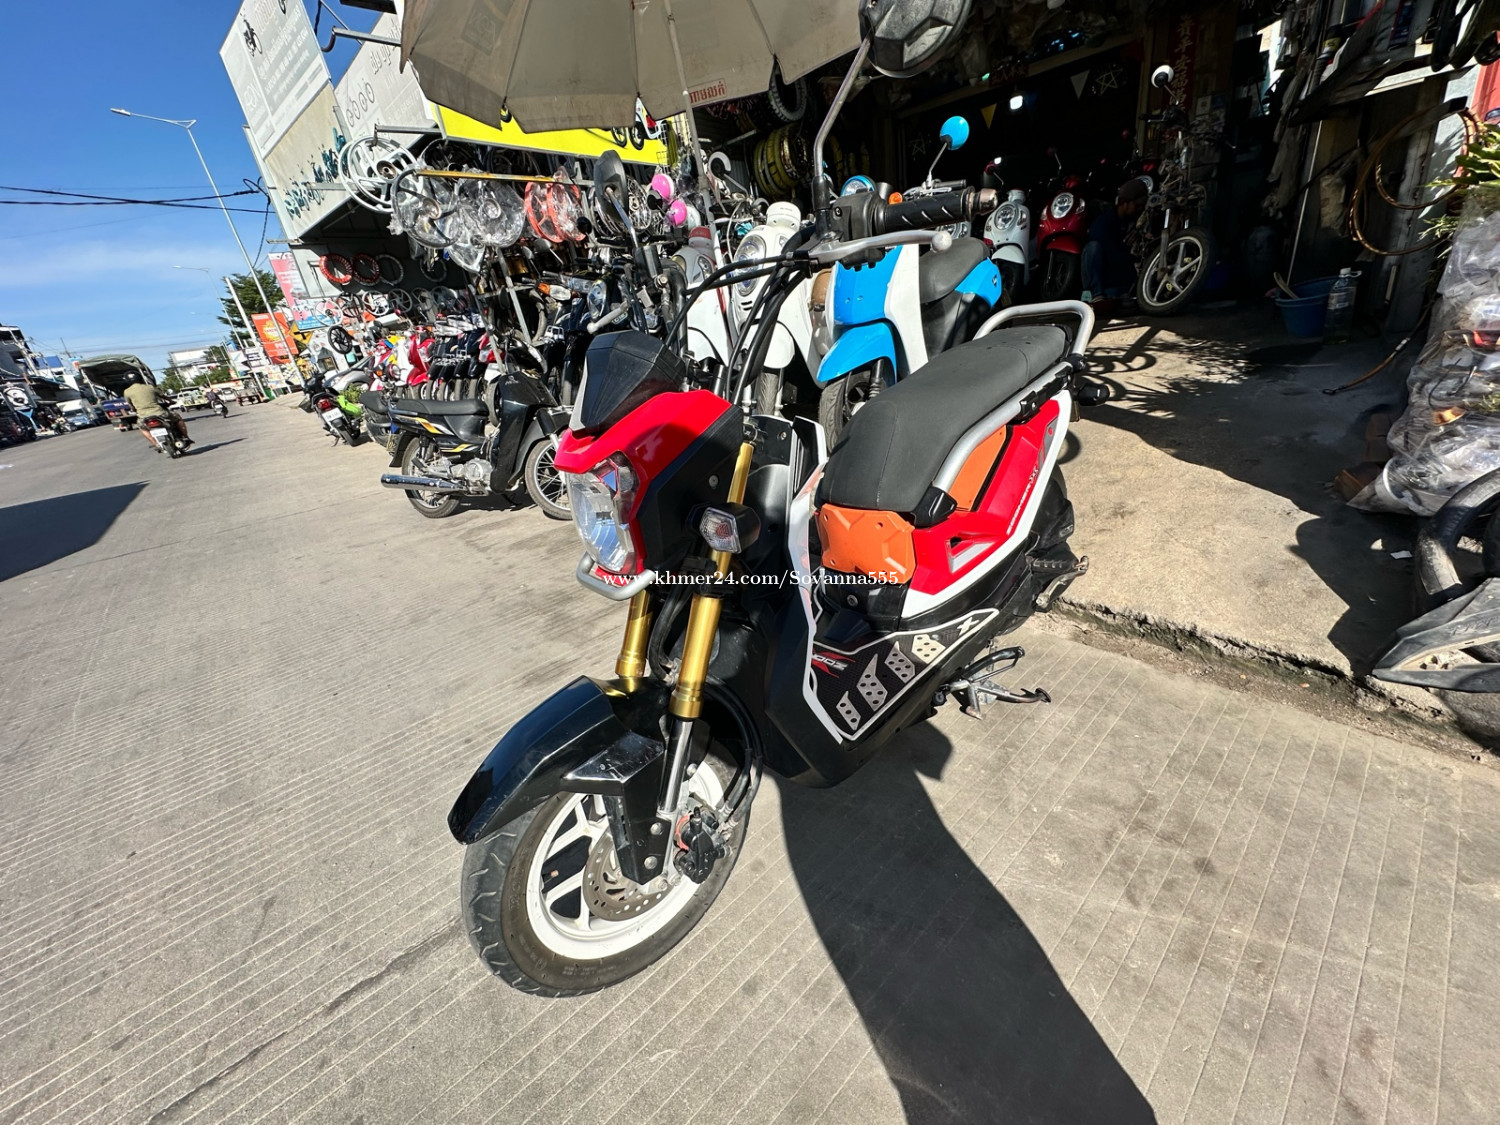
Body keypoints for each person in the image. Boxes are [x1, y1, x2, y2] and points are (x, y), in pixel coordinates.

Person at [1081, 178, 1149, 308]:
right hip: (1104, 279)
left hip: (1121, 284)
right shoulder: (1103, 223)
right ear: (1124, 203)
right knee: (1092, 247)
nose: (1140, 209)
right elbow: (1109, 254)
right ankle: (1096, 295)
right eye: (1137, 205)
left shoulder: (1136, 223)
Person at [121, 374, 191, 448]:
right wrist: (171, 401)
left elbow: (130, 404)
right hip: (160, 413)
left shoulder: (127, 392)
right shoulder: (150, 387)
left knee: (142, 428)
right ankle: (186, 437)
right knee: (177, 418)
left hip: (143, 416)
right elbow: (163, 396)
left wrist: (134, 409)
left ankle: (156, 444)